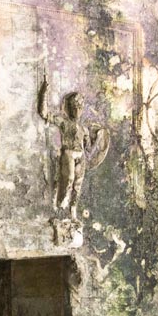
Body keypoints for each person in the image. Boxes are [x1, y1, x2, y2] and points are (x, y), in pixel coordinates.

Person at [37, 76, 107, 216]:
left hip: (80, 155)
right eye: (75, 106)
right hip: (68, 153)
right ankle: (61, 204)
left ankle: (73, 209)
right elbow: (44, 113)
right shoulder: (64, 122)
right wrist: (44, 92)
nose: (78, 109)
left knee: (78, 184)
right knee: (69, 178)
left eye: (80, 107)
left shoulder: (84, 129)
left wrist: (98, 138)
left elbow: (89, 149)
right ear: (69, 108)